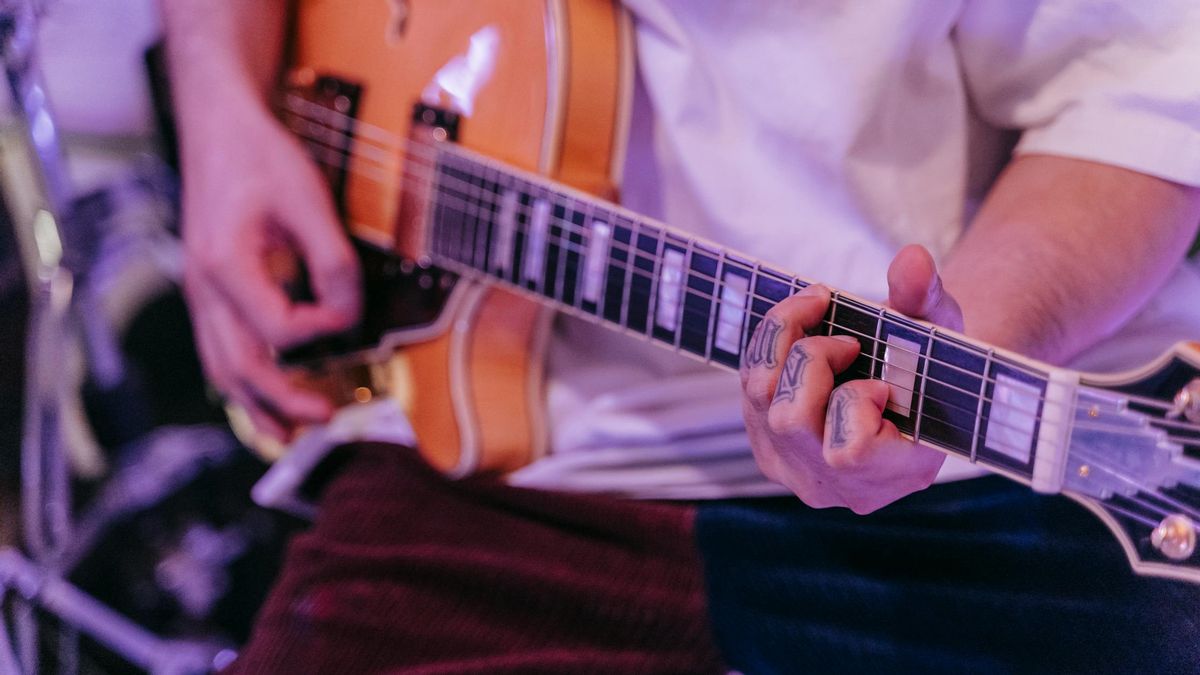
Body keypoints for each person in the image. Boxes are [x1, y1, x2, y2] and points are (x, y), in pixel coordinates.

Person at [160, 0, 1200, 672]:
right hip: (494, 465)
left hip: (968, 480)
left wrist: (961, 358)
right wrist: (218, 105)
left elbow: (1140, 86)